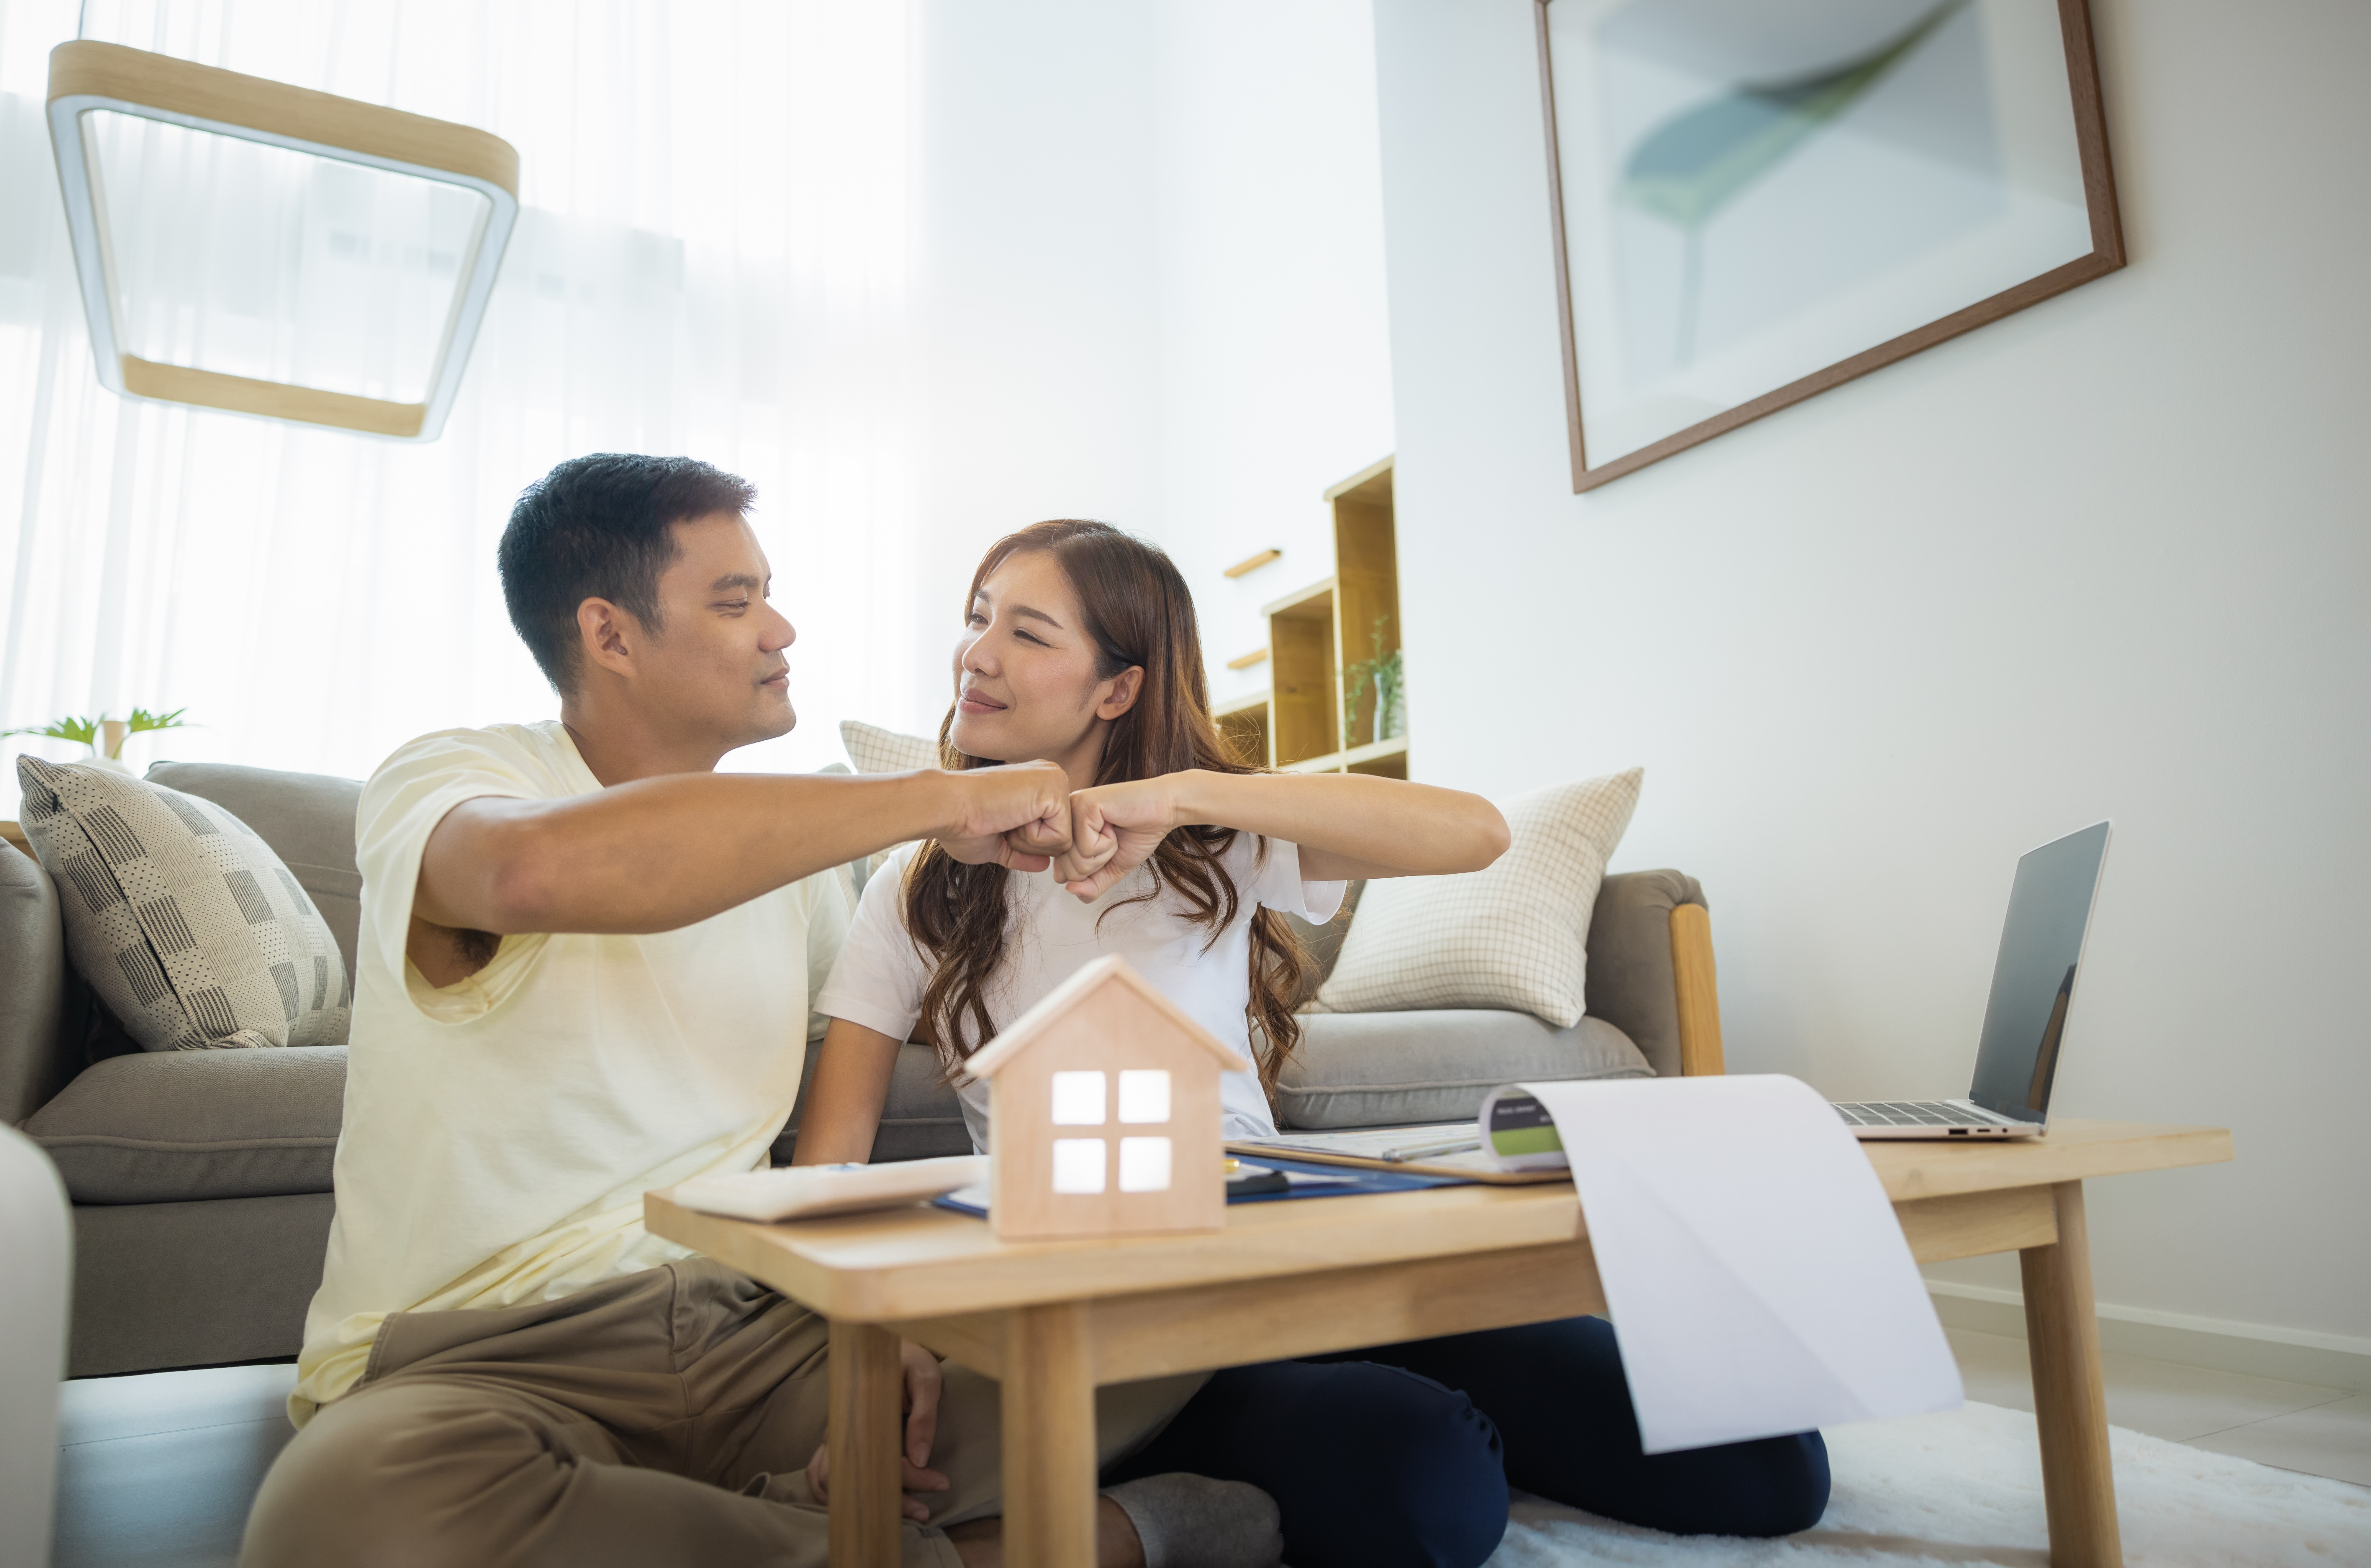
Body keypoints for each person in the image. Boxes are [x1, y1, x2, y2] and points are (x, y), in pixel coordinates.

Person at [240, 458, 1263, 1568]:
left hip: (764, 1334)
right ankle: (1068, 1544)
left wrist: (883, 1320)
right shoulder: (455, 776)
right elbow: (526, 873)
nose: (782, 630)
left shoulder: (805, 876)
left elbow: (854, 1124)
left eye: (770, 595)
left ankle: (765, 1523)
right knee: (342, 1517)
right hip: (491, 1360)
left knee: (1149, 1315)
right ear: (610, 635)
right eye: (736, 603)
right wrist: (943, 798)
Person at [797, 519, 1832, 1568]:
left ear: (1118, 690)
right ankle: (1190, 1487)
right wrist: (886, 1340)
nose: (976, 654)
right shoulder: (916, 890)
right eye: (978, 619)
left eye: (1025, 632)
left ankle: (1364, 1405)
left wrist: (1186, 794)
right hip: (1137, 1322)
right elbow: (831, 1157)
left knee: (1771, 1464)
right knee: (1432, 1486)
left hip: (1298, 1252)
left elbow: (1477, 833)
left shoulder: (1213, 840)